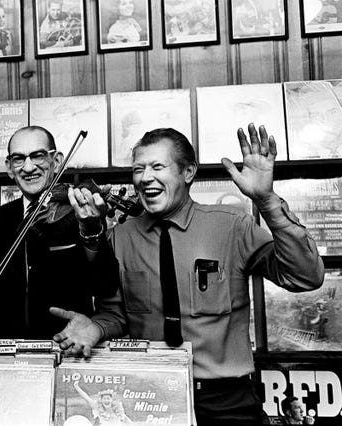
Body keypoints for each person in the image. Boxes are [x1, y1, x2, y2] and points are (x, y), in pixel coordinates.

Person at [53, 125, 324, 425]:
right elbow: (116, 316)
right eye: (138, 169)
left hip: (226, 400)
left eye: (158, 166)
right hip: (152, 397)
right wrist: (96, 328)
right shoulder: (119, 238)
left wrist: (267, 200)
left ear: (188, 172)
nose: (145, 178)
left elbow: (305, 277)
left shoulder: (232, 226)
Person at [0, 125, 120, 339]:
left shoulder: (81, 214)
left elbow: (105, 285)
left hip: (66, 344)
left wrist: (92, 231)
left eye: (38, 156)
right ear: (9, 167)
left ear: (57, 161)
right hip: (6, 351)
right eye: (18, 159)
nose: (28, 167)